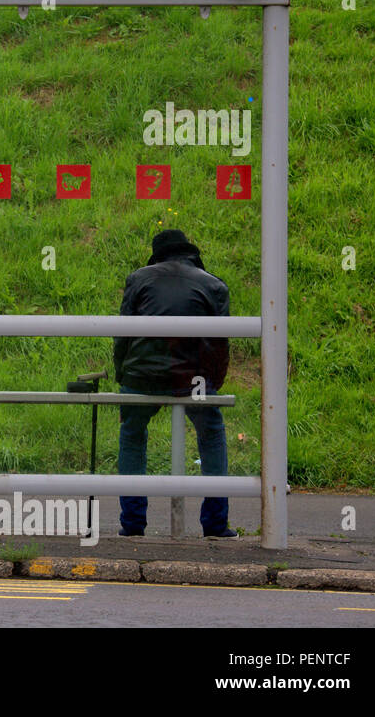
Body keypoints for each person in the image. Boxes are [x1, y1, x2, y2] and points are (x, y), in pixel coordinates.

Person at [112, 229, 236, 538]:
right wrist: (213, 383)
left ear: (157, 255)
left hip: (143, 377)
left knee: (132, 436)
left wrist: (122, 376)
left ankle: (132, 524)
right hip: (194, 380)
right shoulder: (214, 285)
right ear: (192, 254)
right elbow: (220, 345)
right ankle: (216, 524)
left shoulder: (138, 279)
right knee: (211, 437)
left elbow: (122, 335)